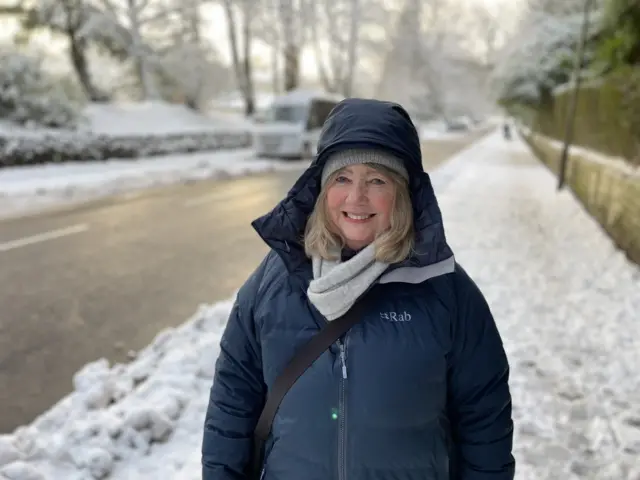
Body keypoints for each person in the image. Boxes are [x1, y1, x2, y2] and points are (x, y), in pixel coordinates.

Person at [202, 98, 515, 480]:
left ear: (402, 193)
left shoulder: (446, 291)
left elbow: (485, 422)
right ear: (321, 189)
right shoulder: (273, 283)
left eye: (377, 180)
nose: (356, 198)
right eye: (342, 178)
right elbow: (231, 404)